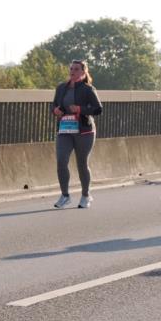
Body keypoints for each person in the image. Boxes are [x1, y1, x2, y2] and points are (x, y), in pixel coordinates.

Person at [51, 59, 103, 209]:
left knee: (82, 164)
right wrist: (55, 111)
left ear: (83, 72)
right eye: (71, 69)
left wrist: (80, 109)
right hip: (65, 129)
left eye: (76, 69)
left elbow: (98, 109)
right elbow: (53, 105)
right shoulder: (61, 88)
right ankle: (65, 195)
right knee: (61, 160)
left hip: (84, 131)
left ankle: (86, 195)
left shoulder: (88, 89)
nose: (72, 72)